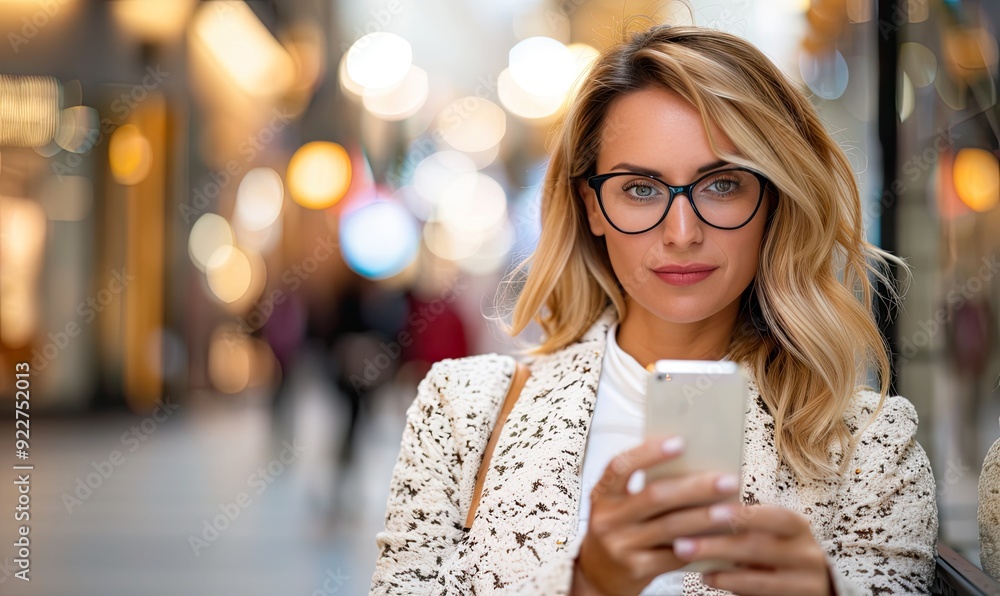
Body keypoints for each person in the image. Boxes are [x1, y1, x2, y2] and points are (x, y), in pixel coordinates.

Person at [369, 23, 938, 595]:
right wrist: (586, 585)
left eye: (722, 184)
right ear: (593, 206)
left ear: (773, 199)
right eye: (641, 188)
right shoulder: (465, 410)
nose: (682, 232)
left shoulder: (869, 445)